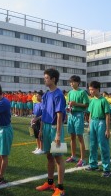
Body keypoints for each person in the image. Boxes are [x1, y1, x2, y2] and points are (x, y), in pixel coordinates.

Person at [36, 68, 66, 196]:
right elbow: (43, 113)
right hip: (46, 128)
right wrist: (41, 129)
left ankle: (60, 188)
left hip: (55, 128)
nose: (45, 79)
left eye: (46, 77)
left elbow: (60, 116)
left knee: (58, 158)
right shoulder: (47, 94)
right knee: (49, 156)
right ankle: (50, 183)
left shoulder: (59, 95)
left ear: (53, 79)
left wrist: (58, 134)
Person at [85, 81, 111, 177]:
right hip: (93, 123)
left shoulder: (103, 101)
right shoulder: (92, 100)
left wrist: (107, 129)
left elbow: (107, 115)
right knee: (92, 145)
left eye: (92, 89)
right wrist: (89, 125)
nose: (90, 91)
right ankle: (93, 165)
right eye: (90, 89)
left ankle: (107, 169)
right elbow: (90, 114)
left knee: (103, 146)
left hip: (101, 122)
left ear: (97, 89)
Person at [65, 75, 89, 167]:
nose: (71, 84)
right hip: (71, 115)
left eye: (73, 82)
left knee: (80, 137)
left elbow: (86, 104)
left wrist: (76, 104)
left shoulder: (82, 92)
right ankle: (73, 156)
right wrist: (69, 106)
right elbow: (68, 103)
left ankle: (82, 159)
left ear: (78, 83)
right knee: (72, 137)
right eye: (70, 82)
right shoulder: (70, 93)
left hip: (79, 115)